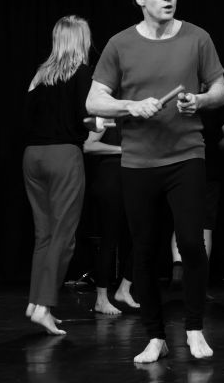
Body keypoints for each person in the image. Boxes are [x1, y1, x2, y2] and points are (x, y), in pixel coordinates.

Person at [86, 0, 224, 362]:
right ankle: (155, 337)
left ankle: (194, 329)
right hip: (138, 163)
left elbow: (220, 90)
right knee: (144, 250)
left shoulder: (198, 37)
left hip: (186, 156)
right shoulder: (120, 44)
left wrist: (200, 100)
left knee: (191, 244)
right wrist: (130, 105)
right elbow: (94, 101)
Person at [22, 15, 92, 335]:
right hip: (63, 156)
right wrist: (104, 121)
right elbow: (87, 118)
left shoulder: (39, 74)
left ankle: (34, 302)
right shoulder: (82, 73)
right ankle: (44, 306)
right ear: (81, 39)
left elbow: (27, 116)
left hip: (32, 156)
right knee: (64, 237)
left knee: (45, 235)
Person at [171, 100, 224, 292]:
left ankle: (177, 266)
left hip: (183, 165)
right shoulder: (216, 104)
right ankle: (199, 282)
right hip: (209, 168)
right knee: (205, 225)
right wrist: (214, 149)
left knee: (181, 219)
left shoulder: (181, 102)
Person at [84, 121, 139, 314]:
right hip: (111, 175)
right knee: (110, 238)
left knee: (144, 236)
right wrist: (122, 149)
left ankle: (124, 288)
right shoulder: (108, 112)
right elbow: (89, 145)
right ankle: (101, 299)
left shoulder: (140, 111)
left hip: (135, 175)